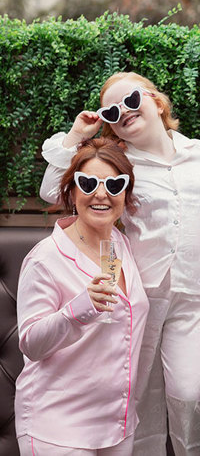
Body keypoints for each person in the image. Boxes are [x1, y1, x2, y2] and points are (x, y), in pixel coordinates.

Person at [39, 72, 200, 455]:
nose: (123, 111)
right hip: (137, 298)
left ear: (157, 102)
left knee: (189, 393)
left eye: (131, 99)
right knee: (137, 395)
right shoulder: (120, 161)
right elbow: (51, 191)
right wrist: (76, 136)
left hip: (194, 296)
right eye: (112, 110)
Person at [15, 137, 149, 455]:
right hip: (57, 427)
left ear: (125, 194)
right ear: (72, 192)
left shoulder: (118, 244)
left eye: (114, 184)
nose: (101, 193)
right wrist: (77, 310)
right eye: (88, 183)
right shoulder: (45, 258)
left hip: (117, 425)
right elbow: (31, 344)